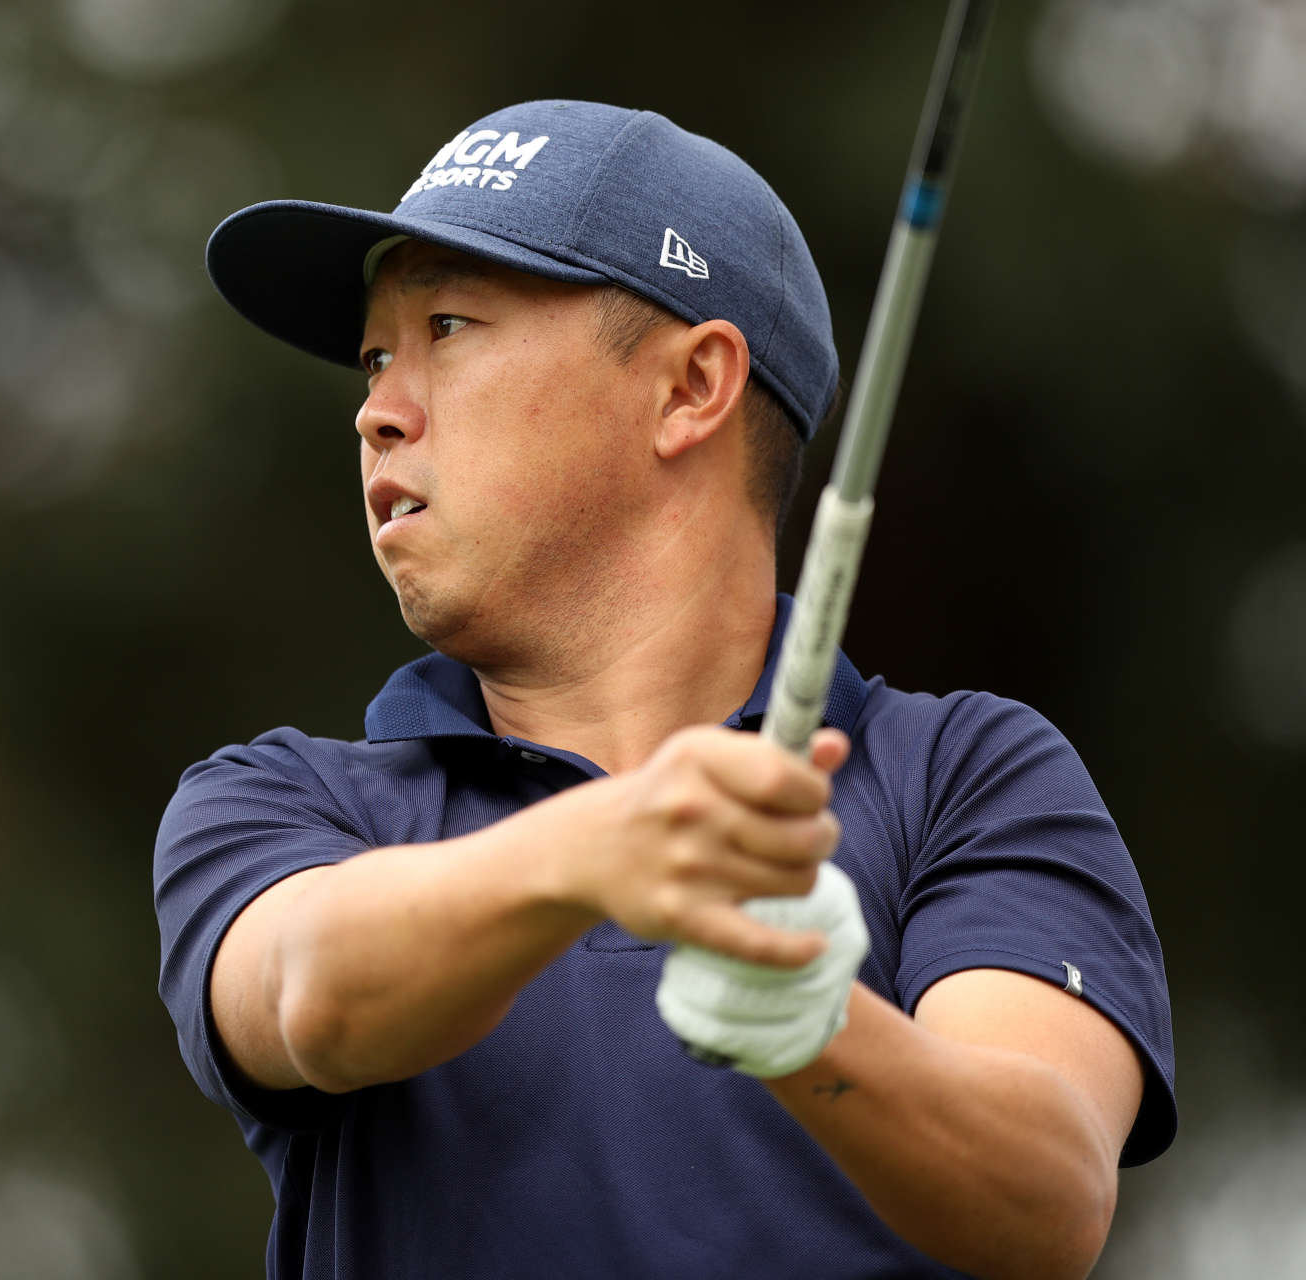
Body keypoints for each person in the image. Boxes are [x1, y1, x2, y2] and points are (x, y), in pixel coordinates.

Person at [154, 100, 1175, 1279]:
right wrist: (600, 848)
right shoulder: (282, 799)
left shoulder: (964, 775)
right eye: (378, 354)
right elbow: (305, 993)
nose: (376, 407)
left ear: (693, 388)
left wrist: (808, 1021)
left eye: (447, 324)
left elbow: (1043, 1197)